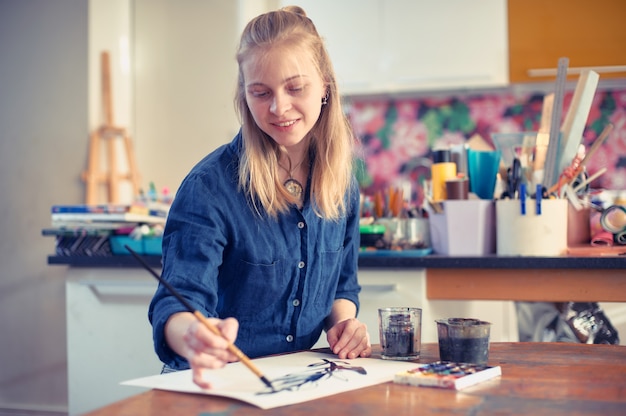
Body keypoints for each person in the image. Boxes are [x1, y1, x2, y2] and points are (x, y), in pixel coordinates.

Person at [148, 5, 371, 388]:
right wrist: (193, 335)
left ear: (325, 86)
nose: (278, 107)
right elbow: (177, 302)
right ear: (245, 95)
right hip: (214, 384)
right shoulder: (209, 187)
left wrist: (344, 325)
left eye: (295, 88)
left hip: (298, 381)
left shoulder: (341, 180)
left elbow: (342, 287)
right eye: (260, 92)